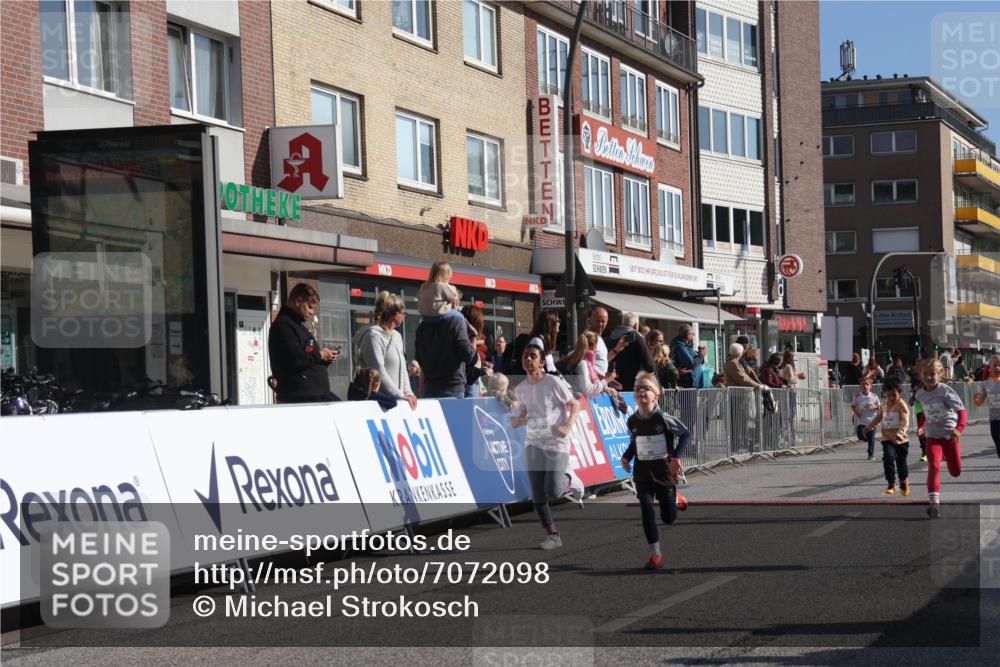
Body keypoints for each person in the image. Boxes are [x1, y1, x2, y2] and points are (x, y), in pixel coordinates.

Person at [511, 344, 584, 549]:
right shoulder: (521, 388)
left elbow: (576, 404)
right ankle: (553, 535)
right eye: (525, 356)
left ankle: (571, 479)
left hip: (555, 442)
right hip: (533, 441)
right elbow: (525, 412)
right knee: (537, 494)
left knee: (553, 492)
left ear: (542, 362)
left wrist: (567, 426)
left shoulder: (553, 382)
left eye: (533, 356)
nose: (528, 359)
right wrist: (518, 420)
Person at [619, 371, 690, 570]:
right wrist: (626, 457)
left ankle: (674, 498)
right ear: (634, 395)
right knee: (646, 509)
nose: (641, 391)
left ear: (656, 396)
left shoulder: (663, 418)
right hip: (642, 473)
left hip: (663, 472)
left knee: (668, 518)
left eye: (646, 388)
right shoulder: (632, 421)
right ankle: (656, 554)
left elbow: (685, 434)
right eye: (638, 388)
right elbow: (635, 442)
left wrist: (675, 457)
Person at [268, 283, 341, 403]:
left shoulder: (299, 327)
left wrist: (324, 360)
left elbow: (307, 358)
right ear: (298, 301)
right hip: (300, 400)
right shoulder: (283, 327)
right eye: (310, 307)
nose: (312, 312)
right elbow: (295, 359)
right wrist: (320, 355)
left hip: (314, 397)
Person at [916, 359, 967, 518]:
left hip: (950, 435)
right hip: (932, 436)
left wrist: (959, 429)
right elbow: (925, 412)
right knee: (934, 466)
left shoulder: (945, 391)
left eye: (932, 374)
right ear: (921, 375)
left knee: (955, 471)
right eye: (926, 374)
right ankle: (934, 503)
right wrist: (921, 426)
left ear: (939, 375)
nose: (929, 377)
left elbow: (962, 411)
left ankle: (949, 455)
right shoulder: (920, 394)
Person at [353, 291, 418, 410]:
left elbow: (403, 369)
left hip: (395, 403)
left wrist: (408, 393)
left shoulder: (397, 336)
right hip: (378, 405)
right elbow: (378, 370)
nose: (404, 316)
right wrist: (399, 395)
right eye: (404, 313)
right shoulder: (373, 336)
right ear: (396, 315)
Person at [414, 293, 479, 400]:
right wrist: (473, 337)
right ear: (453, 303)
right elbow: (469, 356)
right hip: (452, 387)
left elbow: (419, 358)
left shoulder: (423, 326)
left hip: (430, 387)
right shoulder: (456, 322)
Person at [865, 377, 911, 495]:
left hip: (901, 440)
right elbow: (878, 418)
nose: (891, 397)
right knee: (888, 459)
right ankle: (891, 484)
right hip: (887, 438)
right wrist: (869, 426)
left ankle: (904, 481)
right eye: (888, 395)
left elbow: (905, 421)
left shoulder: (901, 405)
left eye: (893, 395)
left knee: (901, 463)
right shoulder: (884, 405)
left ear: (899, 393)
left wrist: (900, 433)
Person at [606, 311, 655, 391]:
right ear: (636, 325)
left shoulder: (611, 337)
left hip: (611, 384)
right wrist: (657, 384)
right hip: (632, 385)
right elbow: (649, 364)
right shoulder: (637, 338)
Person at [558, 332, 613, 397]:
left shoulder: (573, 356)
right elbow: (588, 390)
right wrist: (606, 380)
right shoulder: (582, 363)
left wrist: (603, 386)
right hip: (575, 400)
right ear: (594, 346)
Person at [417, 261, 463, 325]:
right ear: (447, 275)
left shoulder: (424, 286)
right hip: (438, 315)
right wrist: (453, 288)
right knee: (460, 316)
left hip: (424, 316)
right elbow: (453, 298)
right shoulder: (442, 286)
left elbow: (419, 297)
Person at [461, 305, 492, 398]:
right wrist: (485, 372)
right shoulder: (466, 341)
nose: (483, 323)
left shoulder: (463, 340)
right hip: (469, 390)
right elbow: (469, 371)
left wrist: (481, 364)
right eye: (482, 321)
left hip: (472, 389)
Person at [973, 354, 1000, 459]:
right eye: (995, 365)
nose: (997, 368)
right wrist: (977, 400)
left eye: (999, 365)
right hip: (994, 419)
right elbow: (981, 400)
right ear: (990, 368)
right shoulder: (985, 384)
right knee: (997, 441)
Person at [851, 378, 880, 460]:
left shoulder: (874, 396)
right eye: (863, 384)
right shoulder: (857, 396)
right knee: (860, 435)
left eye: (867, 384)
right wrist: (857, 413)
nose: (865, 386)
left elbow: (880, 407)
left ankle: (871, 454)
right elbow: (852, 406)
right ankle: (865, 438)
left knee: (871, 439)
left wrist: (875, 406)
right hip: (861, 421)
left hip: (872, 421)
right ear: (860, 386)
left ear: (870, 386)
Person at [528, 310, 561, 374]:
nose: (559, 324)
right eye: (558, 321)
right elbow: (537, 369)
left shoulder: (544, 341)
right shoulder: (537, 341)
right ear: (550, 323)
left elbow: (551, 368)